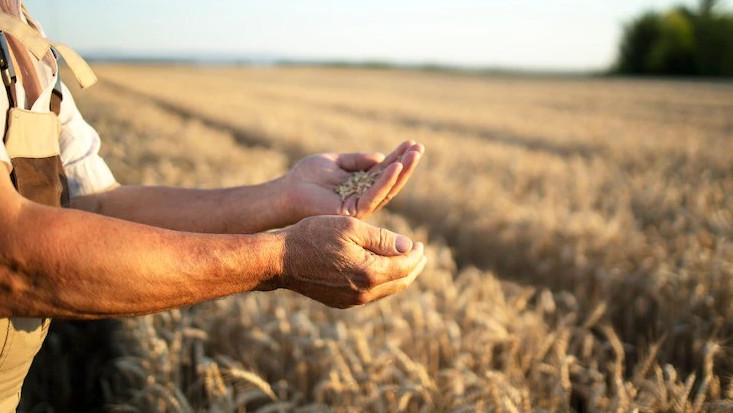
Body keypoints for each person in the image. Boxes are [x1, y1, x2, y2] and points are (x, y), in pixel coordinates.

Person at [0, 1, 426, 411]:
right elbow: (11, 254)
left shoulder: (28, 39)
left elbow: (93, 206)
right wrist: (280, 258)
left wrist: (285, 194)